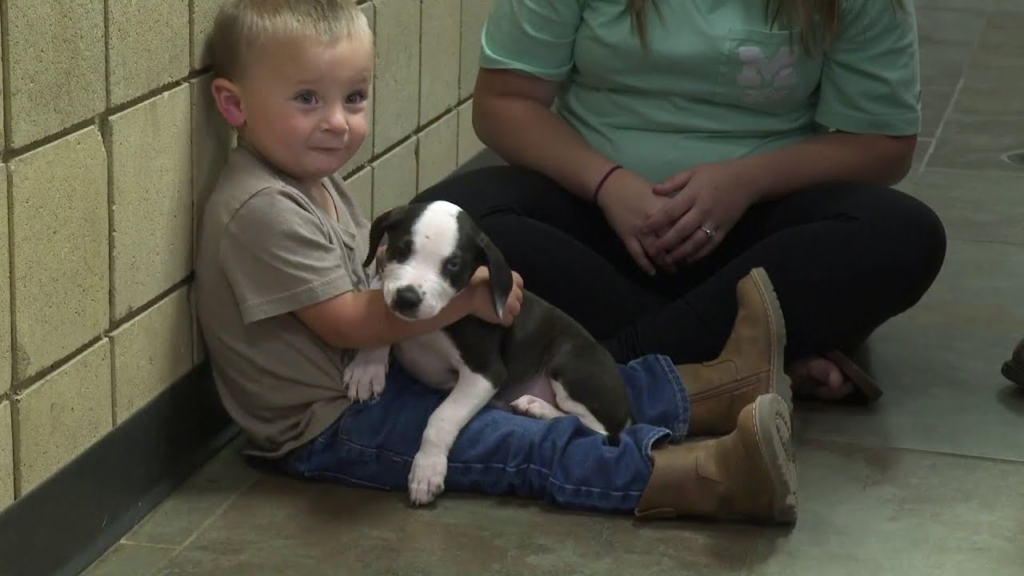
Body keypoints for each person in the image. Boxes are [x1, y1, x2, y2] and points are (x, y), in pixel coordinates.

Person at [195, 0, 800, 525]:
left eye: (354, 98)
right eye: (307, 99)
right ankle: (701, 476)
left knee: (550, 367)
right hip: (324, 428)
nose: (337, 121)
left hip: (366, 389)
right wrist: (469, 293)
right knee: (515, 442)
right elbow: (351, 322)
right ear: (233, 104)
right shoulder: (262, 208)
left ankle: (719, 388)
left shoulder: (313, 181)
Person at [416, 0, 948, 403]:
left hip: (755, 241)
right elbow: (504, 102)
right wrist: (610, 185)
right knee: (444, 223)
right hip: (594, 218)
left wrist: (745, 182)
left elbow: (883, 144)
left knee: (903, 233)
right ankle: (734, 359)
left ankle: (616, 370)